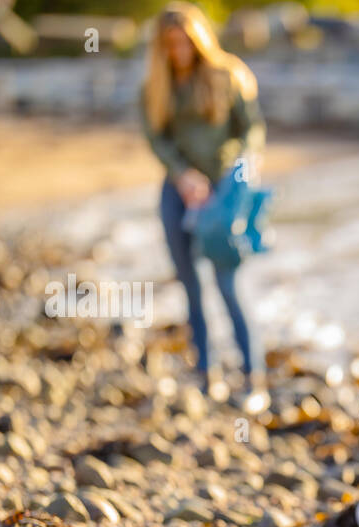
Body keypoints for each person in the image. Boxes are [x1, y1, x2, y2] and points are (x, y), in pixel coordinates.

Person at [141, 1, 268, 412]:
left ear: (198, 40)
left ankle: (253, 379)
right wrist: (182, 175)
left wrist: (238, 171)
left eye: (185, 42)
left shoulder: (226, 74)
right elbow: (157, 139)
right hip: (178, 192)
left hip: (225, 190)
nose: (179, 51)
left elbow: (251, 131)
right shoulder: (156, 85)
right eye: (170, 44)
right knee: (189, 285)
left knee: (229, 284)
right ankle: (207, 375)